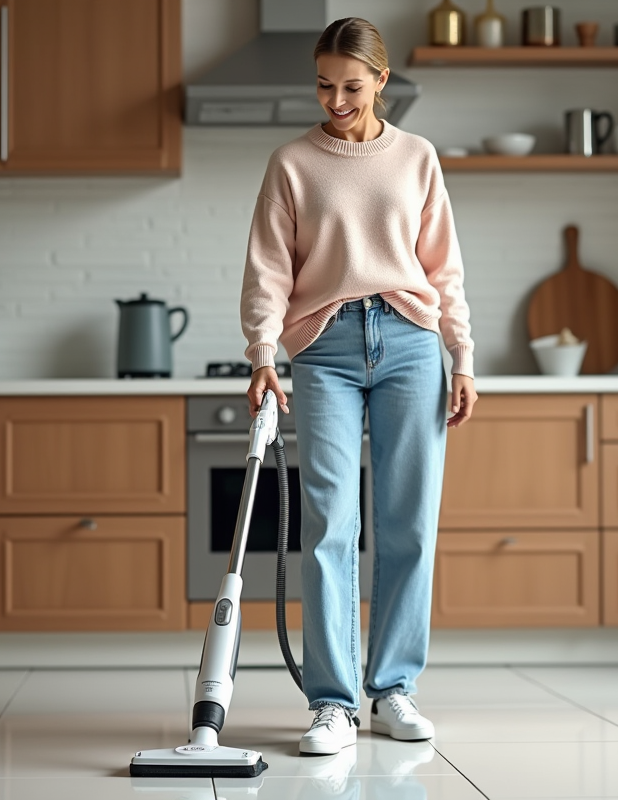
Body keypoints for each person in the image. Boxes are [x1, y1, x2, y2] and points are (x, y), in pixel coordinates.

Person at [240, 17, 477, 756]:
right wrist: (262, 353)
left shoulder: (416, 157)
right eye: (323, 85)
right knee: (329, 526)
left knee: (409, 523)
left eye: (351, 86)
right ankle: (333, 705)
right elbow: (268, 270)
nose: (336, 101)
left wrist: (462, 356)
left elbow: (443, 269)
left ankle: (393, 690)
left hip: (410, 343)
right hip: (324, 349)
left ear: (380, 80)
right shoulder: (292, 163)